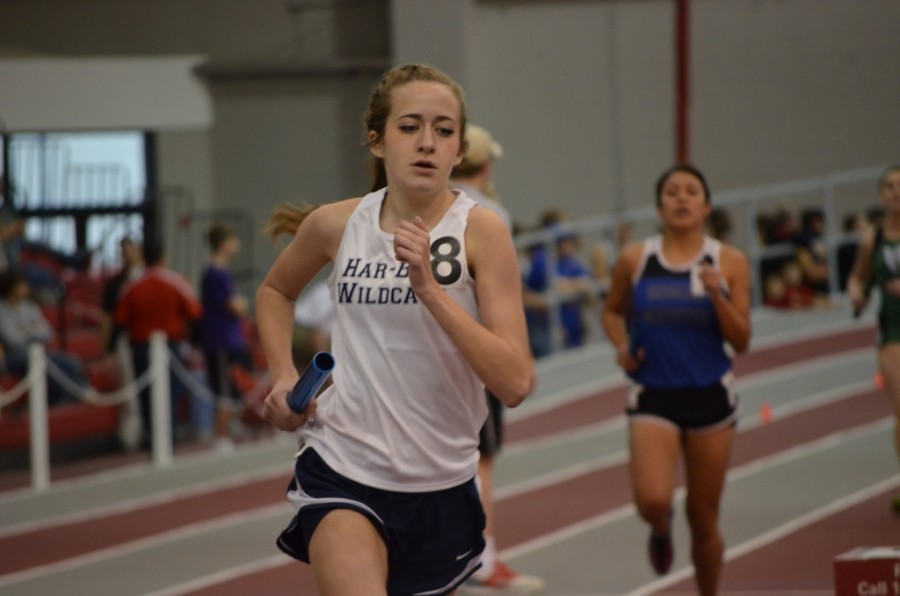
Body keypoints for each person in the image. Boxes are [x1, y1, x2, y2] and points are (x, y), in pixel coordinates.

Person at [256, 63, 534, 596]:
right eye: (409, 127)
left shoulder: (482, 232)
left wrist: (429, 289)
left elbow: (515, 383)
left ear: (459, 151)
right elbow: (275, 292)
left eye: (444, 130)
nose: (427, 143)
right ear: (377, 140)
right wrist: (282, 376)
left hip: (441, 481)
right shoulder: (337, 225)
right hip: (342, 465)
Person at [601, 165, 751, 595]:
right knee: (653, 501)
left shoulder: (729, 261)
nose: (681, 199)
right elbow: (611, 311)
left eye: (691, 192)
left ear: (705, 206)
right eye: (672, 192)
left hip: (710, 397)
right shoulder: (637, 259)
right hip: (654, 394)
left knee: (704, 520)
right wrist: (621, 346)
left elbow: (741, 341)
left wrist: (719, 295)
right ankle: (660, 527)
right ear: (659, 205)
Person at [450, 125, 544, 593]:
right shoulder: (489, 215)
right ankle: (481, 558)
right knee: (480, 459)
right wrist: (518, 357)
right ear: (486, 167)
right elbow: (504, 295)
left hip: (429, 353)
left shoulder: (426, 206)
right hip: (479, 353)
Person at [848, 164, 900, 516]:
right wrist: (856, 294)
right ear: (881, 195)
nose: (897, 192)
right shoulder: (874, 239)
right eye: (890, 186)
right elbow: (857, 278)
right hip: (893, 332)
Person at [115, 237, 202, 447]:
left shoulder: (131, 285)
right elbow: (195, 314)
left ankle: (152, 437)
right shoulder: (176, 281)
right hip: (169, 346)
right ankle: (167, 437)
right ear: (163, 256)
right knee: (169, 394)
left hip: (140, 348)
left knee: (146, 395)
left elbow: (120, 321)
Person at [0, 270, 91, 406]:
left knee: (71, 362)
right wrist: (32, 330)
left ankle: (81, 393)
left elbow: (47, 333)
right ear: (11, 286)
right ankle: (65, 396)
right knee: (46, 364)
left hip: (38, 353)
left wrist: (25, 331)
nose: (26, 288)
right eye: (21, 285)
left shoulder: (29, 307)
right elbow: (12, 339)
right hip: (13, 358)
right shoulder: (2, 310)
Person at [200, 223, 251, 453]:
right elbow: (234, 306)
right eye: (232, 240)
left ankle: (231, 427)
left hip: (232, 339)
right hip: (220, 340)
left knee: (234, 386)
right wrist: (242, 305)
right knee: (224, 389)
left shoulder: (225, 273)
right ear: (223, 245)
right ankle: (220, 436)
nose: (236, 245)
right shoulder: (214, 274)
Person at [101, 236, 144, 352]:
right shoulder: (116, 283)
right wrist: (106, 347)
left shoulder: (149, 278)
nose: (128, 253)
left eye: (131, 248)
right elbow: (107, 316)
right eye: (124, 250)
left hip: (146, 333)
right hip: (124, 335)